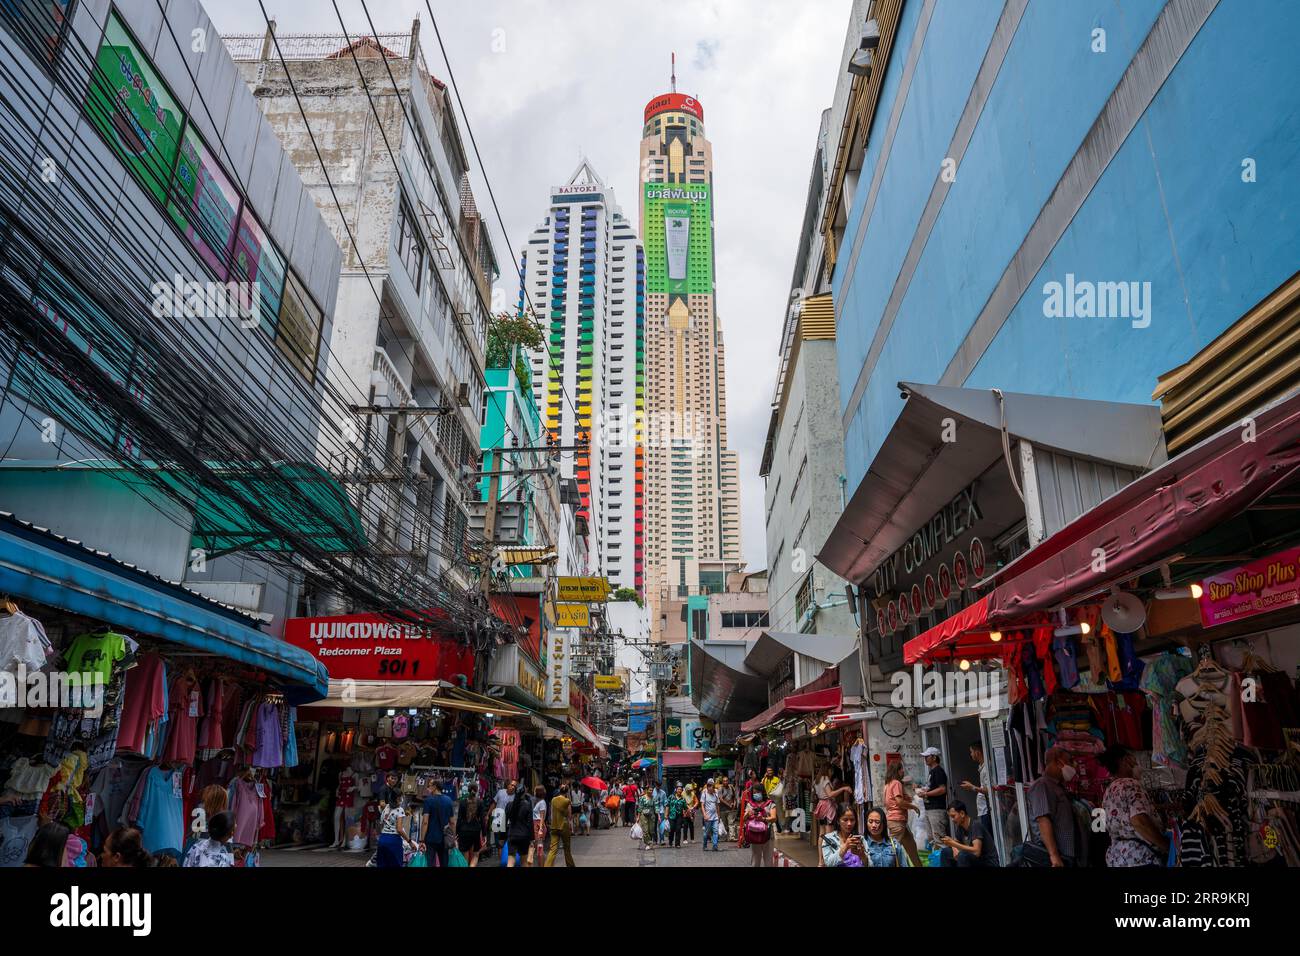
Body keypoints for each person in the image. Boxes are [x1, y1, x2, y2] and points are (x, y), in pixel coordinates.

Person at [1099, 745, 1169, 867]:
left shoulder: (1109, 790)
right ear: (1126, 760)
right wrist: (1165, 846)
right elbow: (1139, 821)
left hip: (1117, 858)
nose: (1137, 764)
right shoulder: (1130, 784)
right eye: (1135, 760)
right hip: (1140, 857)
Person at [1021, 746, 1078, 867]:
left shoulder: (1057, 786)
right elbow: (1043, 820)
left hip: (1067, 855)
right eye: (1069, 761)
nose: (1073, 765)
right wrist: (1054, 856)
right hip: (1058, 858)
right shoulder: (1042, 786)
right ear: (1058, 762)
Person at [883, 761, 921, 866]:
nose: (903, 771)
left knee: (911, 847)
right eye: (901, 769)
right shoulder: (896, 783)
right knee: (892, 852)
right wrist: (913, 807)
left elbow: (891, 801)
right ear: (897, 770)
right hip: (897, 821)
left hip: (897, 821)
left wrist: (906, 798)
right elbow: (899, 803)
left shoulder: (888, 784)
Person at [940, 800, 998, 867]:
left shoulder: (975, 825)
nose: (952, 820)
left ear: (962, 813)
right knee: (946, 852)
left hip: (988, 862)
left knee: (963, 855)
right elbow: (955, 842)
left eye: (953, 816)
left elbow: (976, 852)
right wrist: (953, 846)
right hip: (976, 860)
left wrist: (953, 843)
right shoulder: (960, 827)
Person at [916, 747, 949, 845]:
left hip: (937, 809)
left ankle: (943, 859)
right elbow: (932, 787)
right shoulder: (931, 772)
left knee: (939, 838)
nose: (925, 759)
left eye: (927, 756)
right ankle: (936, 859)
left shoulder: (938, 771)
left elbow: (942, 789)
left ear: (934, 757)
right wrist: (922, 789)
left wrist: (926, 794)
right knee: (932, 839)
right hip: (930, 809)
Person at [960, 742, 994, 837]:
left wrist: (972, 787)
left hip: (987, 809)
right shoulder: (981, 767)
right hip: (983, 809)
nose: (971, 754)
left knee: (988, 835)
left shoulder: (987, 767)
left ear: (977, 752)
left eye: (971, 752)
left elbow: (989, 790)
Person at [421, 780, 456, 868]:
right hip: (444, 839)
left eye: (429, 786)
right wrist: (453, 837)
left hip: (430, 838)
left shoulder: (428, 801)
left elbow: (425, 822)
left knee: (430, 863)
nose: (428, 788)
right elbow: (452, 822)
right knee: (444, 863)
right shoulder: (448, 800)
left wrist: (422, 840)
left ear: (435, 786)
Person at [813, 771, 853, 847]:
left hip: (820, 805)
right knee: (829, 833)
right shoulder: (825, 779)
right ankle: (828, 855)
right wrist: (843, 788)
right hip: (827, 807)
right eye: (831, 770)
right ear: (828, 769)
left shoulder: (817, 780)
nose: (831, 773)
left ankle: (821, 857)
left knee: (821, 834)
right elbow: (830, 794)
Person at [375, 795, 416, 868]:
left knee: (382, 864)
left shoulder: (386, 807)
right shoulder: (400, 810)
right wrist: (410, 842)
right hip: (393, 840)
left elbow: (381, 822)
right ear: (398, 799)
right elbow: (399, 829)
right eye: (401, 798)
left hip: (382, 839)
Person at [545, 779, 576, 867]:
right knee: (567, 848)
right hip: (564, 826)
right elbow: (569, 816)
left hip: (554, 826)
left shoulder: (553, 799)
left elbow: (551, 812)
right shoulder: (567, 801)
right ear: (566, 791)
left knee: (553, 849)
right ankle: (570, 865)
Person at [744, 785, 777, 867]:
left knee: (768, 861)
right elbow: (744, 818)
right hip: (754, 835)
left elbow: (774, 818)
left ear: (763, 792)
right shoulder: (750, 804)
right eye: (754, 793)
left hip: (768, 835)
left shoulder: (770, 803)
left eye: (758, 792)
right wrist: (748, 813)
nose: (756, 794)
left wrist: (763, 818)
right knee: (755, 861)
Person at [505, 784, 533, 867]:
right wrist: (532, 839)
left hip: (512, 835)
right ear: (524, 793)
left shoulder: (509, 805)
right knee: (524, 862)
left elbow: (505, 821)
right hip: (524, 836)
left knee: (510, 861)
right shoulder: (527, 805)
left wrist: (502, 837)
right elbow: (530, 823)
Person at [456, 790, 485, 867]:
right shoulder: (480, 802)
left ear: (468, 790)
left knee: (465, 854)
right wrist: (484, 834)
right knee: (476, 854)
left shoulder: (462, 802)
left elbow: (459, 819)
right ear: (476, 790)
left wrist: (456, 833)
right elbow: (482, 819)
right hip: (475, 831)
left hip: (463, 830)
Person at [529, 785, 549, 866]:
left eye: (535, 791)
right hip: (536, 825)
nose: (533, 792)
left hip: (538, 826)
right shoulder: (540, 802)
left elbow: (542, 817)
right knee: (538, 849)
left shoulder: (542, 803)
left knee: (539, 850)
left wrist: (540, 829)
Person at [700, 778, 721, 851]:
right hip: (708, 817)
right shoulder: (704, 793)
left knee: (715, 831)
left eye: (713, 786)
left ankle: (715, 845)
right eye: (712, 786)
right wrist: (704, 815)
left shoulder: (716, 793)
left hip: (715, 817)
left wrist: (718, 815)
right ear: (708, 787)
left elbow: (717, 805)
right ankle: (705, 845)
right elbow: (702, 805)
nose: (713, 788)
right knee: (706, 833)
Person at [761, 766, 783, 832]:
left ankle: (779, 828)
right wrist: (764, 777)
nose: (770, 772)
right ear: (766, 772)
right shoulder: (764, 779)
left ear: (773, 772)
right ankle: (773, 829)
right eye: (768, 771)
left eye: (771, 771)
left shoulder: (776, 779)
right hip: (767, 800)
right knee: (769, 815)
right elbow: (761, 786)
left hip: (776, 799)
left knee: (777, 814)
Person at [637, 783, 657, 850]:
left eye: (652, 790)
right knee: (645, 830)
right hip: (643, 815)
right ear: (646, 790)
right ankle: (648, 843)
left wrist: (659, 816)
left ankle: (649, 841)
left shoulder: (654, 798)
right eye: (650, 790)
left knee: (651, 830)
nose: (651, 791)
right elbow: (640, 807)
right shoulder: (642, 798)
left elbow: (656, 807)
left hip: (651, 815)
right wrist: (638, 817)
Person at [719, 776, 738, 843]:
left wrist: (734, 804)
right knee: (725, 824)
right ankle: (727, 837)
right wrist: (728, 804)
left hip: (731, 810)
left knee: (731, 823)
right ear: (722, 782)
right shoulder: (720, 789)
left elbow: (735, 797)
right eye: (724, 781)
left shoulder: (731, 788)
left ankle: (732, 837)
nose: (725, 782)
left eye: (726, 780)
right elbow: (721, 799)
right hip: (723, 810)